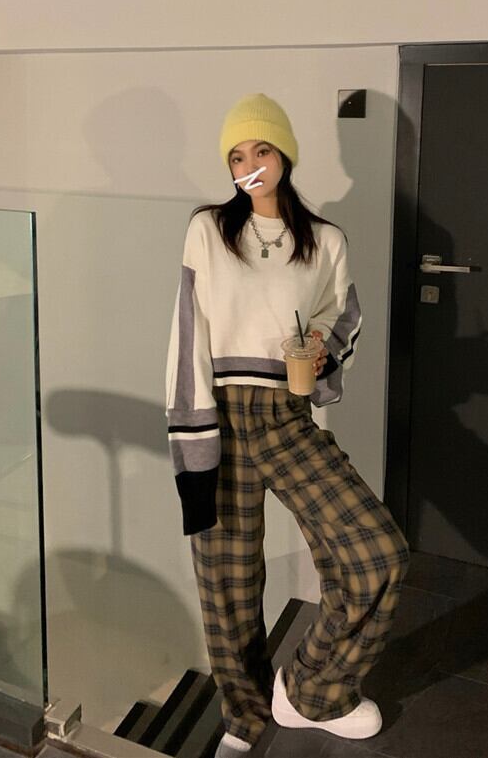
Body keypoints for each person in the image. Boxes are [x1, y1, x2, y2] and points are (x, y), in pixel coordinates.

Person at [165, 93, 410, 758]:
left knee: (376, 554)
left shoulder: (326, 240)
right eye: (236, 156)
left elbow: (343, 312)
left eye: (262, 150)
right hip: (220, 416)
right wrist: (192, 443)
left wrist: (324, 347)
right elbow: (188, 338)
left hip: (286, 415)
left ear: (284, 156)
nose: (250, 165)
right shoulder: (207, 229)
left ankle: (312, 691)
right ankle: (243, 717)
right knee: (228, 584)